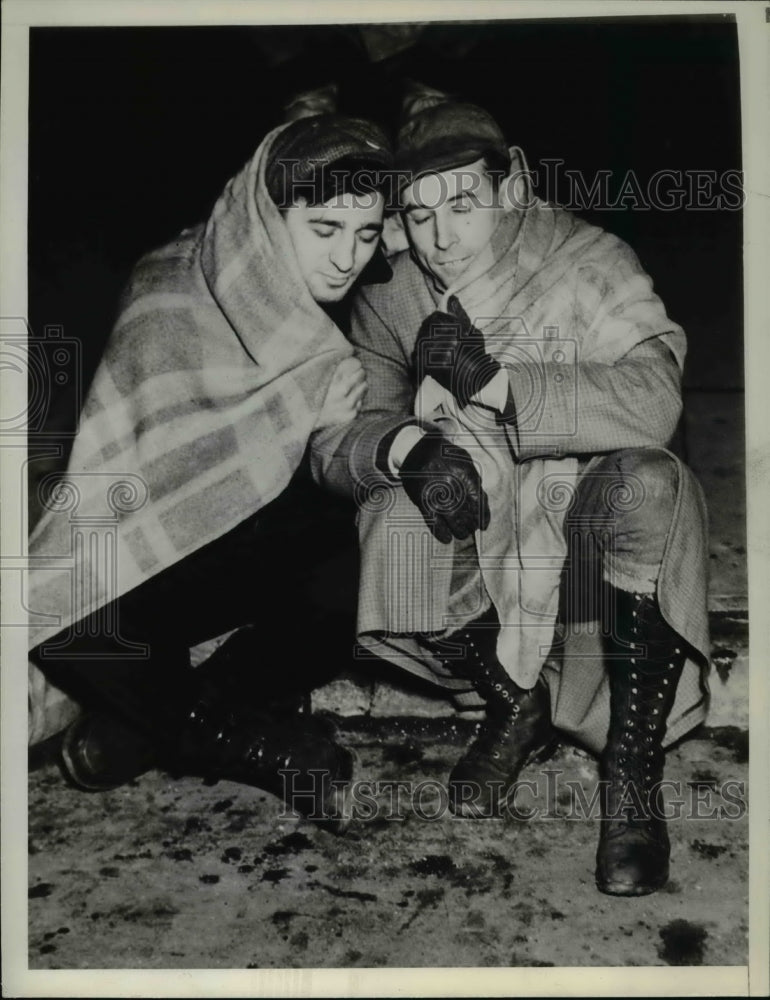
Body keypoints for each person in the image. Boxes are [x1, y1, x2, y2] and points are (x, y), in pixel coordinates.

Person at [311, 95, 711, 888]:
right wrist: (407, 450)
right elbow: (335, 440)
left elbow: (656, 402)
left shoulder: (589, 260)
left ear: (514, 184)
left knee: (650, 487)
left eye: (464, 203)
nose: (443, 237)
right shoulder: (395, 291)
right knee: (391, 510)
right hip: (489, 561)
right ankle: (512, 702)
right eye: (419, 214)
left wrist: (498, 384)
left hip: (594, 568)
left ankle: (630, 781)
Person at [27, 113, 394, 831]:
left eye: (367, 233)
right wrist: (300, 415)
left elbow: (281, 491)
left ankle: (142, 730)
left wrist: (314, 430)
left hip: (223, 556)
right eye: (324, 229)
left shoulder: (329, 320)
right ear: (266, 214)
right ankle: (255, 743)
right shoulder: (169, 289)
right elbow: (120, 487)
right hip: (141, 564)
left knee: (351, 571)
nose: (346, 257)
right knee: (69, 623)